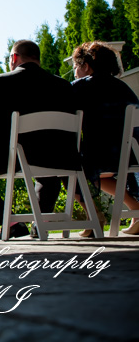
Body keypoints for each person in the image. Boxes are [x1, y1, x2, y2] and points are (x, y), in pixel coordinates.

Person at [0, 39, 79, 240]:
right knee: (49, 177)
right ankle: (41, 224)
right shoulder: (63, 85)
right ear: (37, 59)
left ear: (14, 58)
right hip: (58, 157)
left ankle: (12, 223)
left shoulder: (2, 81)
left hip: (13, 157)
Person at [71, 41, 139, 236]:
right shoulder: (123, 88)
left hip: (101, 156)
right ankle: (136, 210)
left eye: (76, 66)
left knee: (68, 164)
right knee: (90, 171)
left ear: (86, 65)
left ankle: (93, 218)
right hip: (132, 155)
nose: (75, 72)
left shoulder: (80, 87)